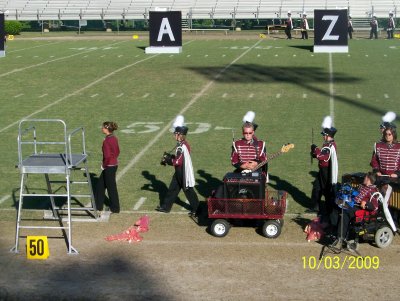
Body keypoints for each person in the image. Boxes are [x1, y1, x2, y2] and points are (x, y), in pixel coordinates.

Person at [156, 115, 199, 216]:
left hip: (183, 172)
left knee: (188, 190)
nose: (174, 135)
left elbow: (177, 162)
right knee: (173, 189)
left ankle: (197, 209)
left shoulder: (181, 146)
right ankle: (166, 207)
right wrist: (170, 157)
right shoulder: (182, 144)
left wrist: (167, 160)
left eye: (175, 133)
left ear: (180, 135)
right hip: (179, 171)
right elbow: (178, 158)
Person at [333, 172, 379, 246]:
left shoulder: (373, 190)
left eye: (365, 177)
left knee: (345, 211)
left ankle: (340, 236)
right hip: (353, 204)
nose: (364, 178)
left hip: (361, 209)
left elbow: (375, 206)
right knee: (337, 206)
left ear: (368, 179)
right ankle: (336, 232)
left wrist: (366, 203)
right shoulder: (361, 186)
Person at [310, 116, 338, 226]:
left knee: (327, 192)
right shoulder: (328, 145)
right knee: (317, 187)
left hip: (327, 172)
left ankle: (328, 214)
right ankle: (315, 206)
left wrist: (314, 148)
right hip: (322, 170)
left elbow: (322, 156)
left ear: (328, 136)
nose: (323, 136)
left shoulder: (329, 146)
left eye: (324, 135)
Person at [95, 121, 121, 214]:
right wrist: (114, 159)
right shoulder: (114, 138)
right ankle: (98, 206)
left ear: (107, 129)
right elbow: (118, 151)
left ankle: (115, 208)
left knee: (111, 188)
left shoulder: (106, 141)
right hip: (114, 165)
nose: (102, 128)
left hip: (109, 166)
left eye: (103, 127)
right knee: (100, 186)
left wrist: (103, 165)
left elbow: (107, 156)